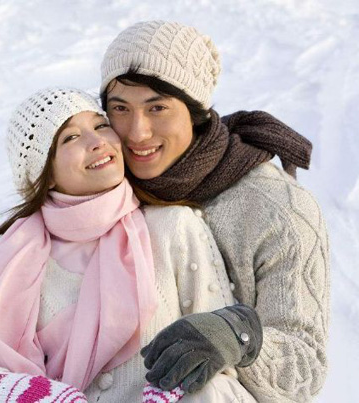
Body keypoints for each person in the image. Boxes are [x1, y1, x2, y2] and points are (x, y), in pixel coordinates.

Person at [0, 87, 258, 402]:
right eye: (71, 138)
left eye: (100, 125)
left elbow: (217, 354)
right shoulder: (9, 254)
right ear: (43, 174)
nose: (98, 142)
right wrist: (1, 387)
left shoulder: (173, 226)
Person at [98, 20, 330, 403]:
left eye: (158, 107)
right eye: (120, 108)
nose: (137, 132)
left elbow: (303, 371)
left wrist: (238, 335)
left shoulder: (275, 208)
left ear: (196, 111)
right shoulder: (102, 185)